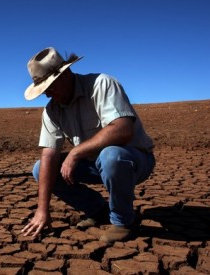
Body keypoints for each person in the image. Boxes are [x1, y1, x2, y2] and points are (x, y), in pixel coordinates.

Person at [20, 47, 155, 244]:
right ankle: (98, 210)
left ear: (65, 74)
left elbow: (123, 129)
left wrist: (76, 152)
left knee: (111, 156)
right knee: (40, 169)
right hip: (93, 165)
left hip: (133, 160)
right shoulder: (52, 110)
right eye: (43, 90)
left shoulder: (101, 84)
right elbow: (49, 154)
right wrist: (42, 210)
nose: (47, 94)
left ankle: (124, 222)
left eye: (50, 87)